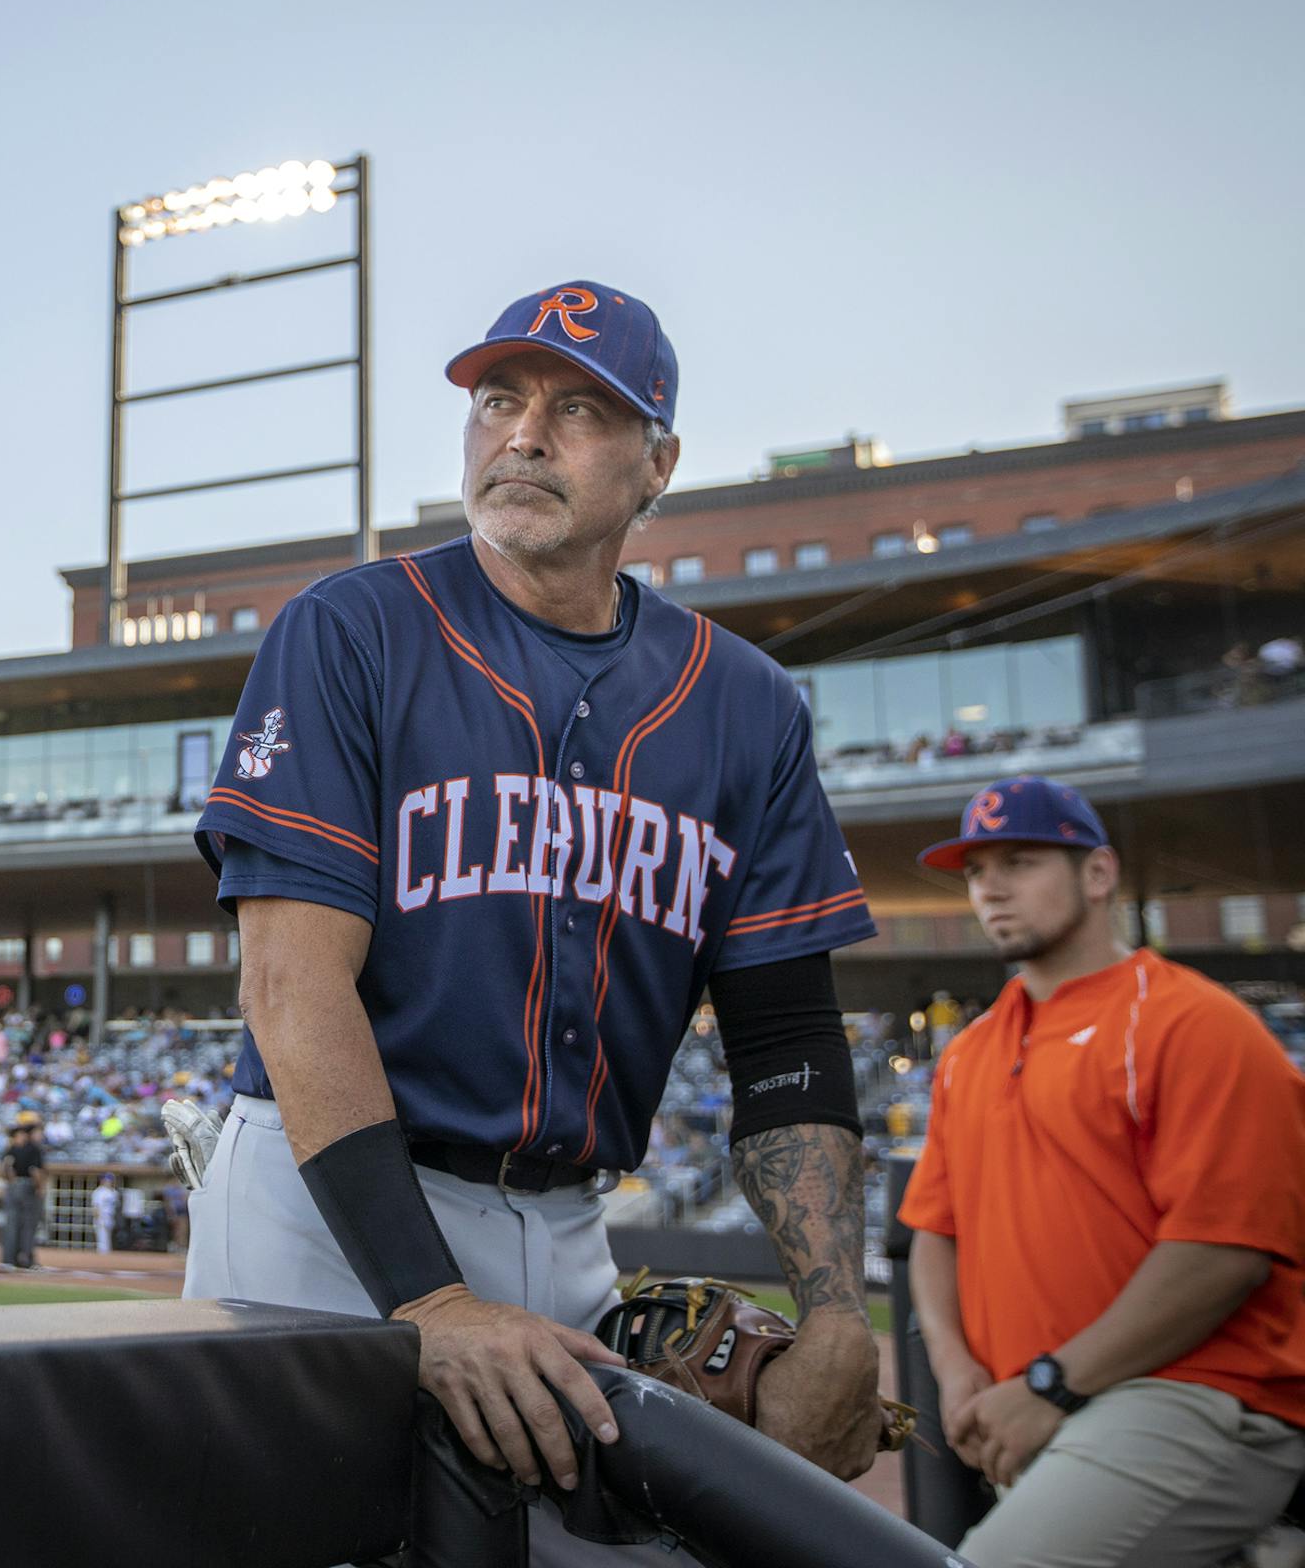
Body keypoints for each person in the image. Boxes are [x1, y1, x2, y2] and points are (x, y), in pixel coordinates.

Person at [184, 279, 888, 1558]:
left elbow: (787, 1038)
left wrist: (837, 1312)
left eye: (579, 409)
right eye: (499, 399)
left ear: (657, 464)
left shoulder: (749, 706)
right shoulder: (351, 629)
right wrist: (433, 1300)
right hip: (322, 1207)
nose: (523, 432)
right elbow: (291, 991)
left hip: (568, 1225)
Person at [901, 776, 1305, 1568]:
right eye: (977, 871)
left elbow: (1223, 1254)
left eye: (1020, 861)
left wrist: (1050, 1385)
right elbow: (933, 1234)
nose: (992, 889)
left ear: (1098, 874)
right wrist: (957, 1376)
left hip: (1190, 1395)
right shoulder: (969, 1052)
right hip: (1032, 1410)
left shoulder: (1195, 1023)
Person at [0, 1122, 45, 1270]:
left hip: (12, 1187)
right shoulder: (33, 1149)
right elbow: (35, 1171)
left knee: (11, 1224)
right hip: (27, 1187)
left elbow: (2, 1167)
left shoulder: (11, 1148)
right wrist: (40, 1188)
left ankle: (8, 1259)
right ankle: (27, 1258)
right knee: (28, 1224)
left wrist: (11, 1180)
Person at [90, 1171, 119, 1256]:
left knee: (108, 1236)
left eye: (110, 1180)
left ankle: (107, 1254)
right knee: (101, 1236)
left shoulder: (113, 1192)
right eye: (106, 1180)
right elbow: (96, 1206)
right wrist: (97, 1216)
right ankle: (102, 1255)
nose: (108, 1182)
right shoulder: (98, 1192)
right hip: (101, 1215)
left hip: (110, 1216)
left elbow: (115, 1206)